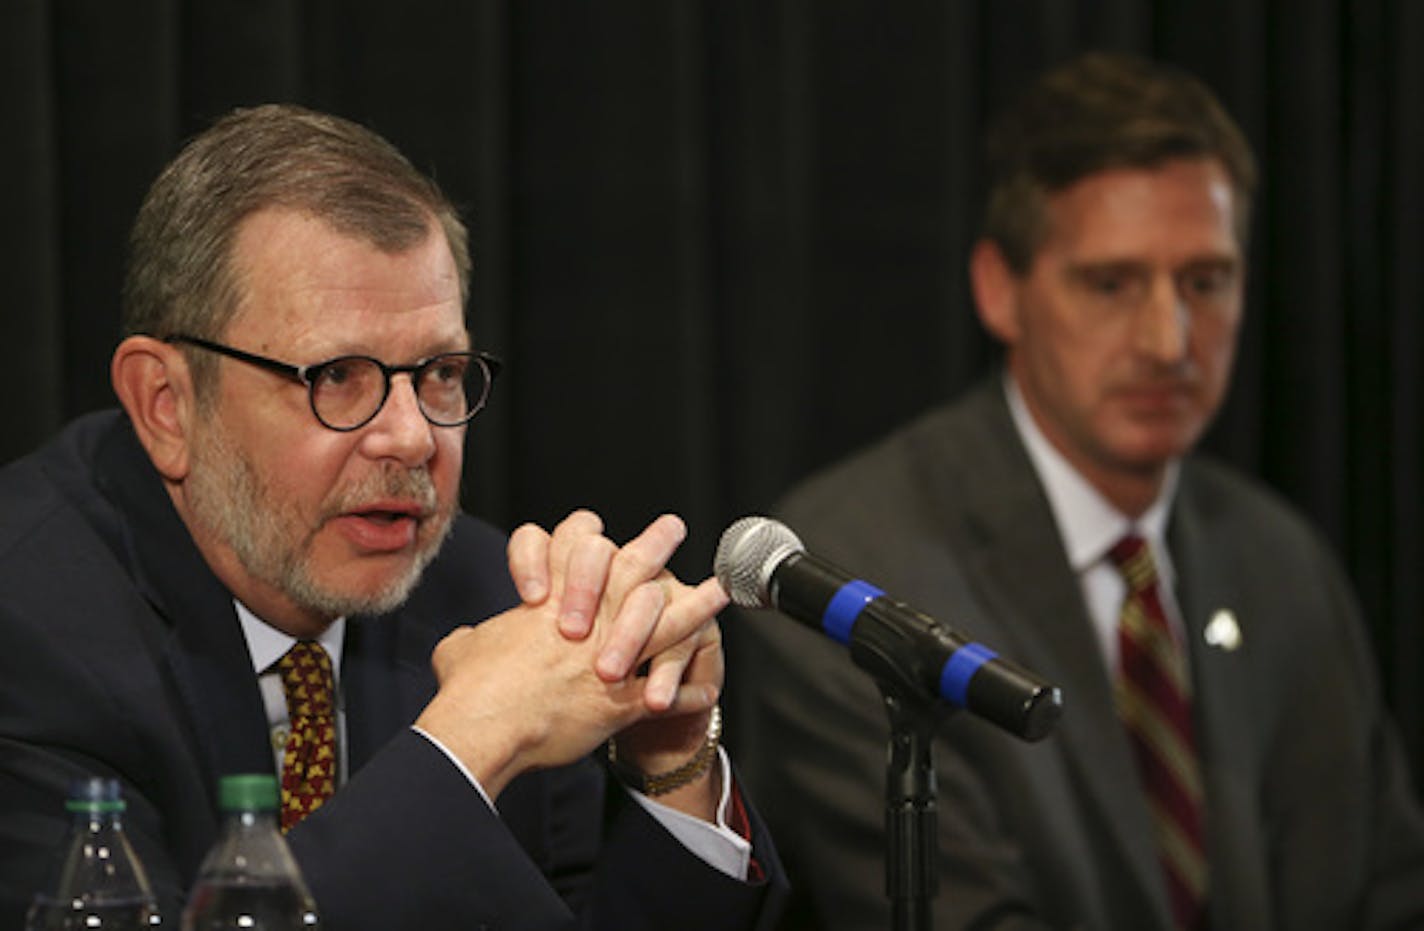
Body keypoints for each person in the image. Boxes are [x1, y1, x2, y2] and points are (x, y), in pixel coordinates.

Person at [0, 103, 786, 930]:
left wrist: (670, 760)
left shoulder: (492, 599)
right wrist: (467, 744)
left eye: (441, 371)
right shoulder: (27, 627)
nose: (413, 436)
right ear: (166, 404)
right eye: (336, 374)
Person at [726, 51, 1424, 930]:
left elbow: (1387, 893)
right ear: (999, 289)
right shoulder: (853, 569)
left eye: (1205, 282)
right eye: (1111, 283)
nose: (1170, 340)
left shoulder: (1281, 559)